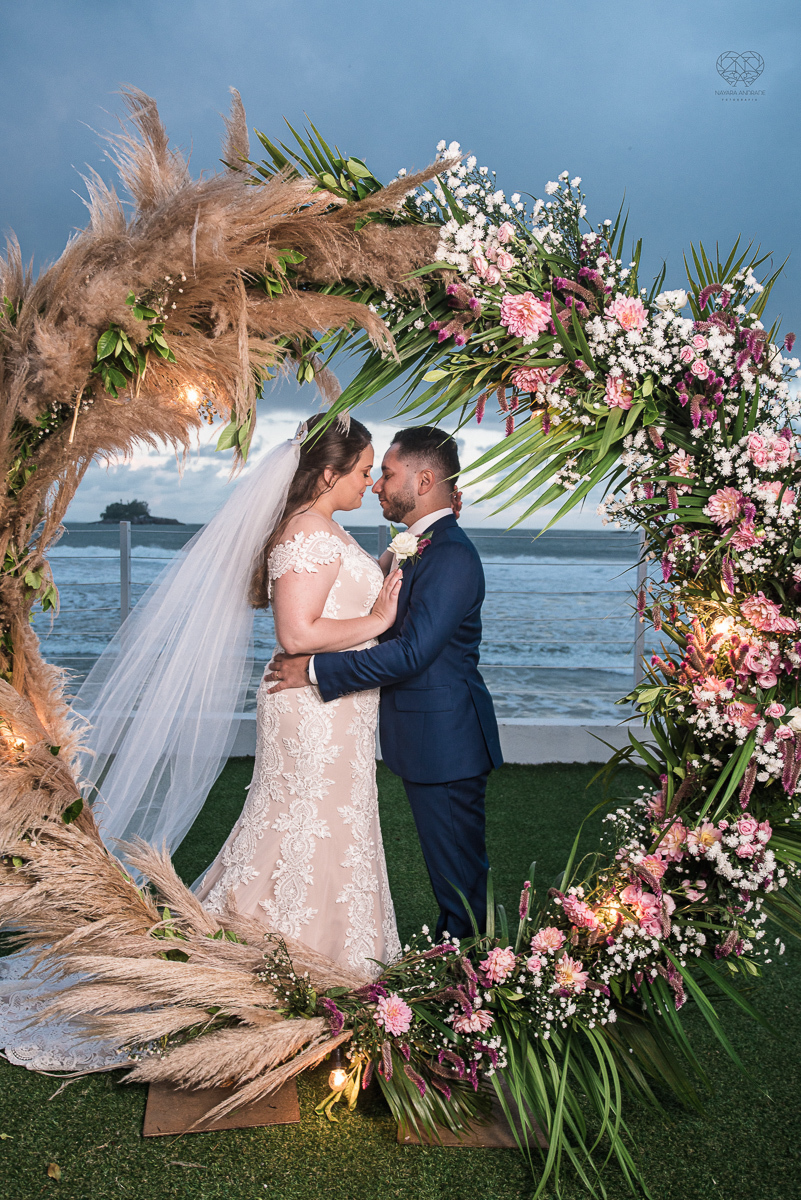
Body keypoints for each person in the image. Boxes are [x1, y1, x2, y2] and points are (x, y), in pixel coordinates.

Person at [266, 426, 503, 941]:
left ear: (423, 481)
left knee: (459, 876)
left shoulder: (452, 555)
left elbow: (414, 652)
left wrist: (313, 669)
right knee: (452, 872)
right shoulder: (419, 544)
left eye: (387, 474)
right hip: (424, 738)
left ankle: (474, 982)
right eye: (371, 473)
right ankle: (461, 968)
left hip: (446, 741)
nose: (376, 485)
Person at [195, 415, 404, 974]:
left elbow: (335, 596)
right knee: (301, 819)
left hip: (336, 707)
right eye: (364, 471)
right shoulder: (306, 530)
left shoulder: (321, 525)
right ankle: (268, 960)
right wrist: (379, 618)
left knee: (333, 822)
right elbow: (297, 633)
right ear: (330, 472)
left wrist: (386, 565)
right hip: (311, 708)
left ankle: (336, 956)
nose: (373, 484)